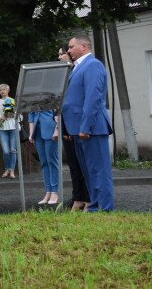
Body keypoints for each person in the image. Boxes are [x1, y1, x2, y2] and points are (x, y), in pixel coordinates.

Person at [61, 34, 114, 212]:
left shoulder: (93, 65)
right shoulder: (78, 67)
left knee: (99, 171)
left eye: (71, 46)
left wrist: (85, 127)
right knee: (88, 171)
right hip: (77, 128)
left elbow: (93, 98)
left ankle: (105, 208)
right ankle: (94, 206)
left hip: (92, 128)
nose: (68, 50)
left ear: (84, 46)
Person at [58, 46, 89, 211]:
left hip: (78, 124)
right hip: (66, 124)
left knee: (83, 164)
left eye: (62, 53)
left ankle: (88, 198)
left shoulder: (78, 71)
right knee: (73, 165)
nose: (60, 57)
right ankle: (77, 197)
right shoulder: (64, 75)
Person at [28, 108, 60, 205]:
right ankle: (48, 191)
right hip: (37, 131)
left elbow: (58, 111)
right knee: (43, 163)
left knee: (52, 161)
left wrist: (57, 129)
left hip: (51, 128)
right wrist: (31, 133)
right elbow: (31, 114)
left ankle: (54, 191)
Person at [0, 84, 18, 179]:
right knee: (6, 151)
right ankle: (7, 169)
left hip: (13, 127)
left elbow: (19, 115)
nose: (2, 91)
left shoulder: (13, 101)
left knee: (13, 150)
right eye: (1, 90)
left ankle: (12, 170)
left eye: (4, 89)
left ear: (8, 90)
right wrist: (0, 117)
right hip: (2, 128)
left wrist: (10, 114)